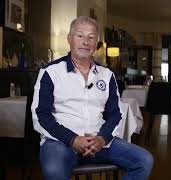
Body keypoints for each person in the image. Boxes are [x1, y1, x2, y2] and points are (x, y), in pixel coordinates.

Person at [31, 16, 153, 180]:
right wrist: (73, 140)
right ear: (70, 39)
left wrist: (102, 139)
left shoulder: (106, 75)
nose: (85, 42)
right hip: (60, 141)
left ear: (96, 44)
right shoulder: (50, 72)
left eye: (91, 37)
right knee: (54, 170)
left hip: (99, 142)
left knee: (144, 160)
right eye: (80, 36)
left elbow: (115, 114)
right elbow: (41, 116)